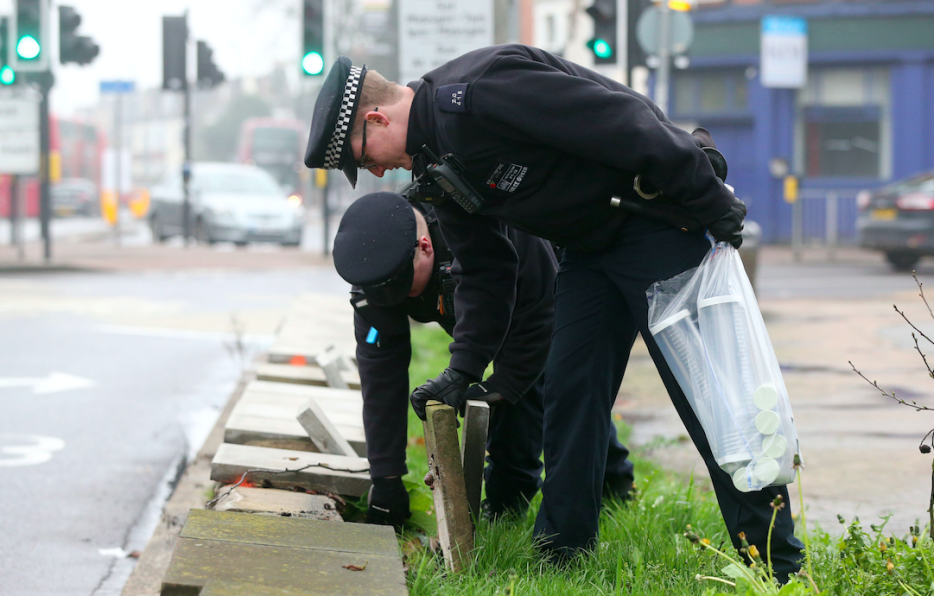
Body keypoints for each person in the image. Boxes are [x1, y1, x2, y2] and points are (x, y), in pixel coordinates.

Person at [303, 48, 805, 581]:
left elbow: (622, 119)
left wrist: (707, 199)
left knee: (709, 396)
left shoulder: (478, 93)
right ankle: (563, 556)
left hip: (653, 223)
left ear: (375, 118)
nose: (377, 170)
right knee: (570, 397)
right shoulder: (435, 164)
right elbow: (489, 269)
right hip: (587, 250)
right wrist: (464, 370)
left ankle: (777, 568)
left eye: (366, 157)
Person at [328, 190, 634, 526]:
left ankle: (527, 500)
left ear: (426, 248)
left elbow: (539, 319)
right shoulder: (375, 274)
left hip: (548, 289)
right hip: (486, 306)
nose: (399, 302)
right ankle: (583, 485)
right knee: (518, 391)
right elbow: (380, 379)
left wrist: (499, 387)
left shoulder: (478, 226)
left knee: (546, 387)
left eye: (405, 290)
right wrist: (385, 480)